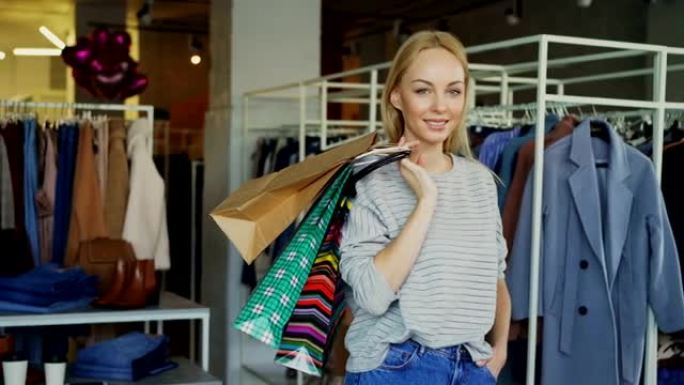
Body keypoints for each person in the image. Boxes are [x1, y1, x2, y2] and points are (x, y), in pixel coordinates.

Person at [339, 30, 511, 385]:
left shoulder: (479, 180)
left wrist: (500, 350)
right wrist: (426, 200)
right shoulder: (368, 180)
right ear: (397, 96)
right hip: (395, 368)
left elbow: (495, 277)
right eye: (422, 90)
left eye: (453, 90)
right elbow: (371, 295)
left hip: (472, 366)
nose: (440, 106)